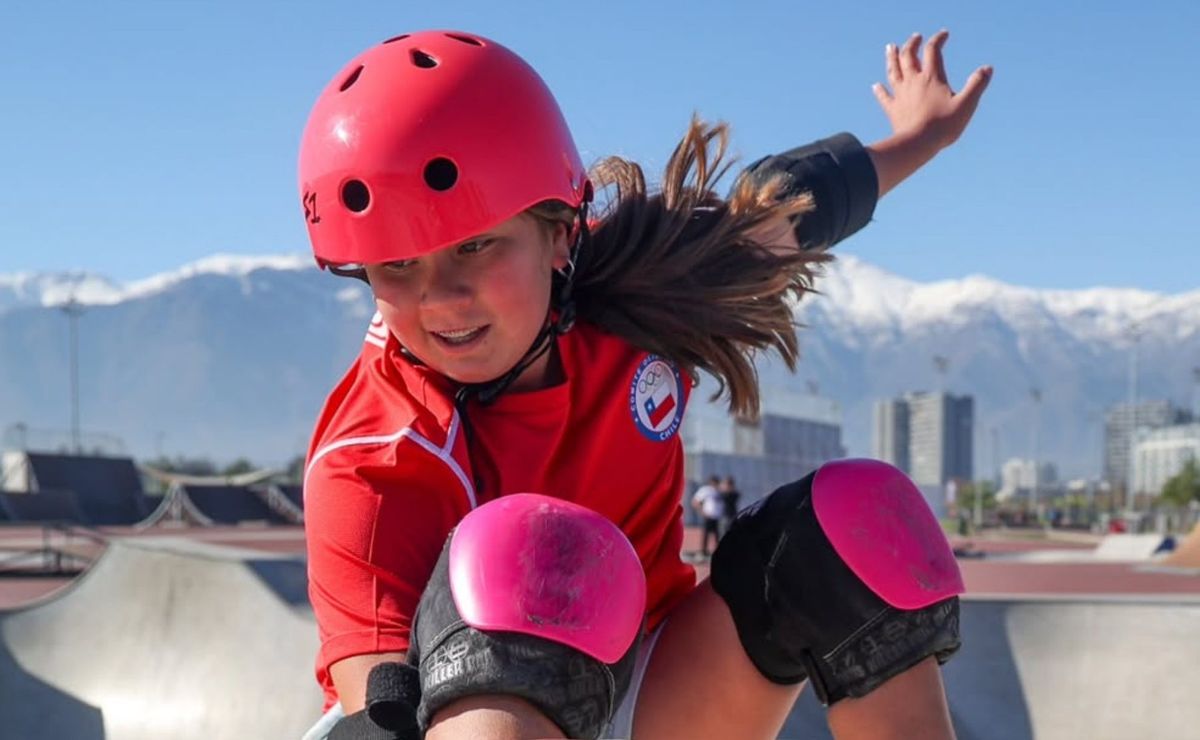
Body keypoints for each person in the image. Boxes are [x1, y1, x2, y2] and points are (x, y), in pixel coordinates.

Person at [299, 27, 990, 740]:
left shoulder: (637, 285)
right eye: (398, 268)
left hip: (649, 693)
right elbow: (377, 712)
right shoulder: (372, 463)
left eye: (475, 247)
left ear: (562, 232)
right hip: (435, 719)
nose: (441, 300)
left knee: (854, 530)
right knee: (518, 557)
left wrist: (921, 138)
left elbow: (787, 208)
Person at [691, 475, 724, 557]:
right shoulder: (706, 490)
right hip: (708, 516)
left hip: (716, 517)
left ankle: (717, 551)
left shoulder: (718, 491)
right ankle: (703, 551)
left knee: (717, 535)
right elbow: (695, 502)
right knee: (706, 534)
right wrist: (702, 512)